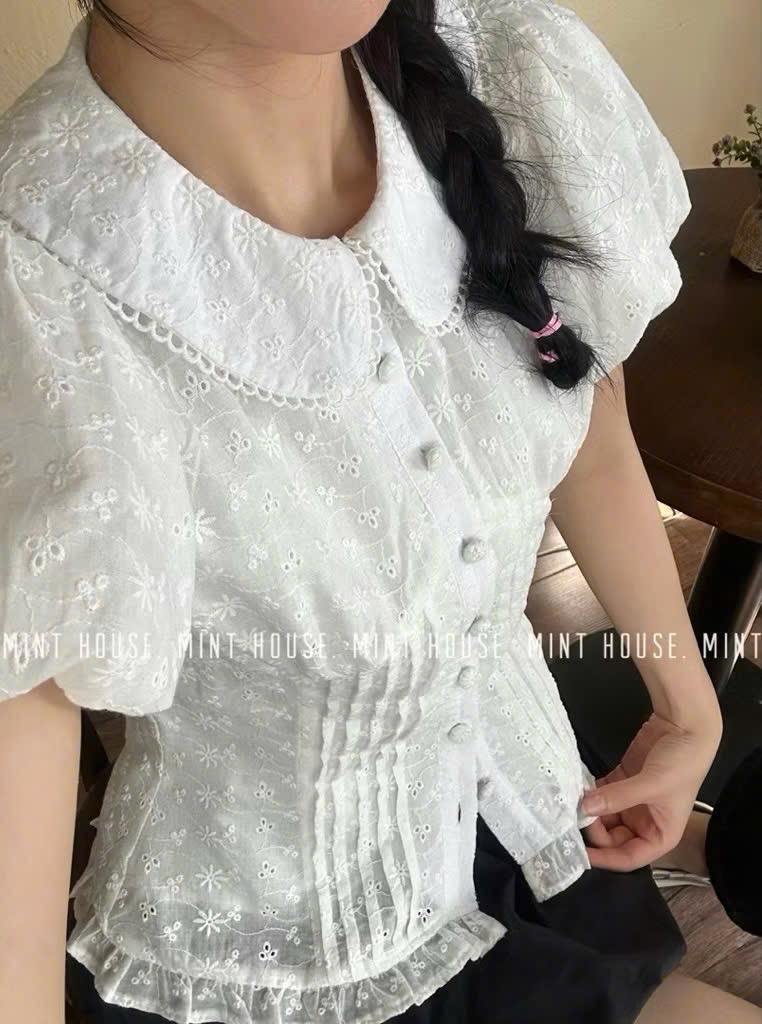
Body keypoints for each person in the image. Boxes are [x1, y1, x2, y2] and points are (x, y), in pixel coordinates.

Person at [0, 1, 758, 1022]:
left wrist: (686, 700)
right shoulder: (30, 285)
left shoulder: (497, 65)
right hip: (268, 968)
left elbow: (573, 401)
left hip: (541, 832)